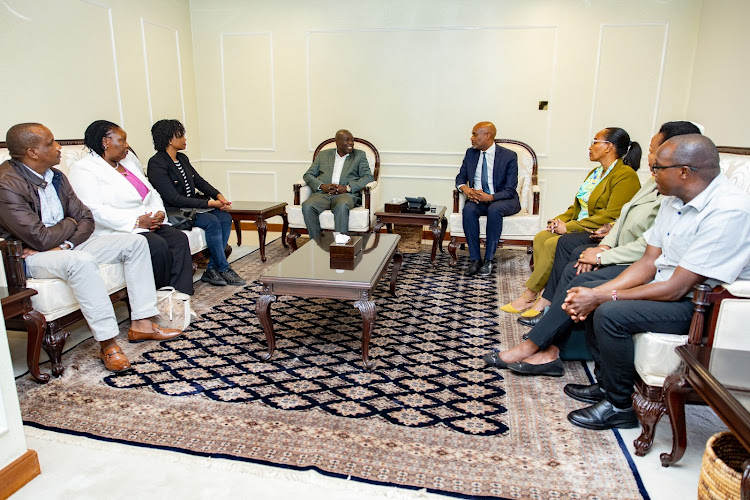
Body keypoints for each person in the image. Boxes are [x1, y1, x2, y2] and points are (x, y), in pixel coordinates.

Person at [483, 122, 702, 376]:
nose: (649, 158)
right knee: (563, 250)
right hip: (619, 246)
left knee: (573, 259)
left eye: (654, 151)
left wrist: (600, 252)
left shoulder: (657, 187)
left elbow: (643, 244)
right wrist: (599, 241)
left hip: (641, 265)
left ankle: (537, 341)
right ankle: (547, 339)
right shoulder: (653, 185)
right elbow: (621, 217)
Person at [562, 134, 750, 430]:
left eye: (658, 168)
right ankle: (606, 384)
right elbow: (649, 262)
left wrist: (603, 298)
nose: (652, 173)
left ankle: (618, 406)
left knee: (611, 313)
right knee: (594, 293)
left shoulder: (728, 211)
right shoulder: (674, 200)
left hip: (705, 308)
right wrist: (595, 292)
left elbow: (677, 287)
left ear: (684, 172)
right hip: (671, 288)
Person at [0, 123, 182, 372]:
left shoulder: (56, 176)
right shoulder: (6, 184)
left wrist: (66, 240)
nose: (59, 147)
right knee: (81, 261)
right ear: (32, 152)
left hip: (65, 246)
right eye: (51, 143)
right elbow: (39, 238)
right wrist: (70, 224)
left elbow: (86, 218)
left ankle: (143, 324)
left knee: (135, 242)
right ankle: (108, 344)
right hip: (32, 258)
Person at [501, 127, 641, 316]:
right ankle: (545, 290)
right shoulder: (595, 172)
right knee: (542, 237)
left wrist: (568, 227)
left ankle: (530, 295)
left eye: (595, 141)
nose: (590, 146)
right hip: (580, 225)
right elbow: (577, 207)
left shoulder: (625, 175)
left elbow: (611, 214)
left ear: (609, 147)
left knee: (553, 243)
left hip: (599, 230)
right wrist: (560, 220)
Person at [69, 120, 194, 295]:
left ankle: (180, 297)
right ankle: (157, 296)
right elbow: (92, 209)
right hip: (118, 230)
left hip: (148, 223)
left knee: (178, 239)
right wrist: (135, 222)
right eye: (122, 140)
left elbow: (152, 192)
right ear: (105, 142)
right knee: (157, 246)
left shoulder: (128, 162)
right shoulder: (84, 169)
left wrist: (159, 213)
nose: (127, 145)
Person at [147, 119, 244, 287]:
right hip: (175, 211)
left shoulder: (182, 158)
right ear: (170, 139)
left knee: (224, 217)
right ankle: (224, 268)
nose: (185, 139)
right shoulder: (156, 163)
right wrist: (209, 204)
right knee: (212, 221)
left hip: (192, 207)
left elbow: (199, 182)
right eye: (181, 135)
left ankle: (212, 269)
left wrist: (218, 196)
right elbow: (172, 198)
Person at [455, 121, 521, 277]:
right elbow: (460, 177)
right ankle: (475, 259)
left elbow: (510, 189)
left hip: (503, 199)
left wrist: (490, 197)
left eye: (474, 134)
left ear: (487, 136)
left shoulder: (509, 156)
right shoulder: (470, 153)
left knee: (494, 209)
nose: (471, 138)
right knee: (468, 210)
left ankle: (489, 260)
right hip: (478, 199)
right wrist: (467, 190)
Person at [301, 129, 374, 239]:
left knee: (341, 205)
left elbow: (368, 177)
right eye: (347, 140)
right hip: (323, 194)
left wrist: (347, 188)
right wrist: (322, 186)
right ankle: (316, 242)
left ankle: (341, 243)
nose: (351, 143)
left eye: (352, 140)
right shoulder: (323, 155)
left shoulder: (359, 155)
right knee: (307, 206)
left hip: (346, 195)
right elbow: (308, 175)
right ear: (337, 142)